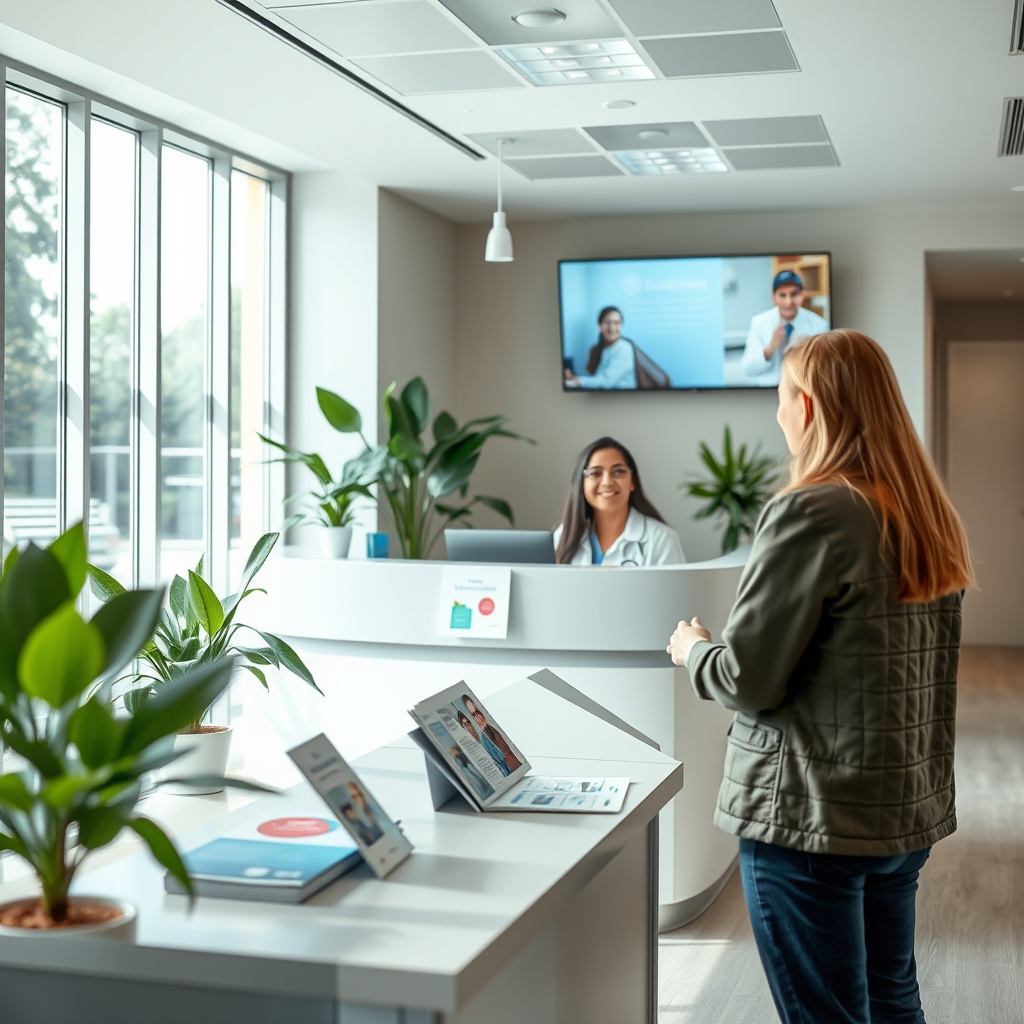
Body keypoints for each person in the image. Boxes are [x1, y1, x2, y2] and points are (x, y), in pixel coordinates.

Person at [666, 329, 973, 1024]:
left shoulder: (809, 511)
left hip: (810, 819)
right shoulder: (928, 515)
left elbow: (747, 680)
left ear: (806, 406)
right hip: (902, 812)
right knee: (893, 1001)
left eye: (781, 396)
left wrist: (694, 650)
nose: (778, 413)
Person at [554, 437, 685, 566]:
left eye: (618, 472)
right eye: (595, 474)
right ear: (581, 483)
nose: (607, 482)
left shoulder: (661, 539)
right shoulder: (563, 536)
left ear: (633, 482)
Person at [740, 270, 828, 385]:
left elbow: (825, 371)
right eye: (782, 295)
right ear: (773, 297)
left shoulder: (820, 325)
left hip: (803, 391)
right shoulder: (759, 322)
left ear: (802, 294)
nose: (788, 302)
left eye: (794, 294)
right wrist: (770, 349)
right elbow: (748, 369)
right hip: (767, 391)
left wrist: (802, 354)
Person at [564, 307, 637, 389]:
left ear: (621, 326)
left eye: (617, 323)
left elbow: (606, 382)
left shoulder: (624, 348)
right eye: (607, 323)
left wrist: (578, 380)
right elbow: (598, 379)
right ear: (600, 326)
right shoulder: (602, 349)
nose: (612, 327)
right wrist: (573, 378)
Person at [462, 695, 522, 772]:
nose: (478, 716)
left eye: (477, 712)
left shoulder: (494, 726)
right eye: (474, 714)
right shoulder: (483, 738)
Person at [456, 709, 511, 776]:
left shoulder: (482, 735)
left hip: (500, 761)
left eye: (468, 722)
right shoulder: (468, 742)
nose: (468, 726)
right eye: (464, 724)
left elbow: (494, 748)